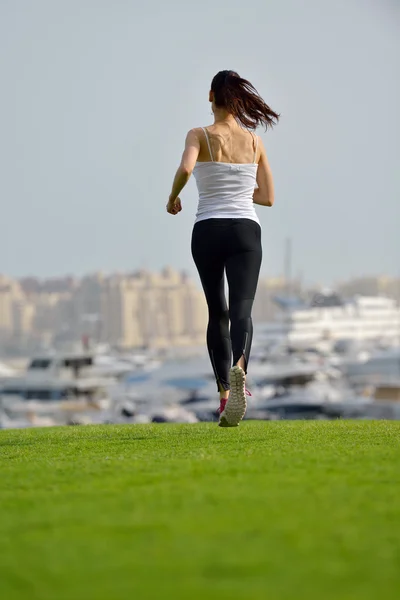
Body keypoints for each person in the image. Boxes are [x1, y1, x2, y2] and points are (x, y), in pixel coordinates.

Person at [166, 70, 279, 427]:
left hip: (208, 229)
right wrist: (239, 191)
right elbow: (268, 197)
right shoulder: (255, 143)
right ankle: (240, 369)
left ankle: (224, 396)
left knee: (218, 312)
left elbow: (186, 167)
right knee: (243, 309)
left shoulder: (199, 134)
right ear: (239, 100)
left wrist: (173, 196)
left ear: (211, 96)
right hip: (246, 229)